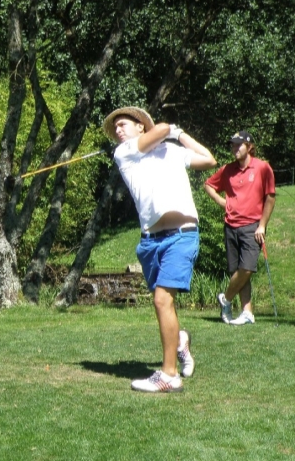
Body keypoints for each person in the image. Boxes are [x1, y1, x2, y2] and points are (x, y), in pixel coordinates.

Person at [103, 107, 217, 393]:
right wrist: (170, 130)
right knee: (163, 302)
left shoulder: (172, 151)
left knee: (162, 301)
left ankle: (169, 375)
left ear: (141, 126)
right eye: (115, 127)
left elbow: (209, 160)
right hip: (150, 242)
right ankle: (179, 341)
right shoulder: (124, 153)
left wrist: (182, 135)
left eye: (124, 124)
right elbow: (163, 127)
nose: (118, 130)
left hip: (181, 236)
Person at [203, 130, 276, 326]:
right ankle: (247, 312)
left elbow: (270, 198)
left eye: (239, 145)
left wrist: (262, 226)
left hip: (252, 226)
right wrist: (221, 201)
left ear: (250, 147)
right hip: (230, 225)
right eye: (233, 145)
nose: (234, 148)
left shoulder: (262, 168)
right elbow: (208, 185)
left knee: (247, 268)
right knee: (235, 270)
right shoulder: (227, 170)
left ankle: (225, 298)